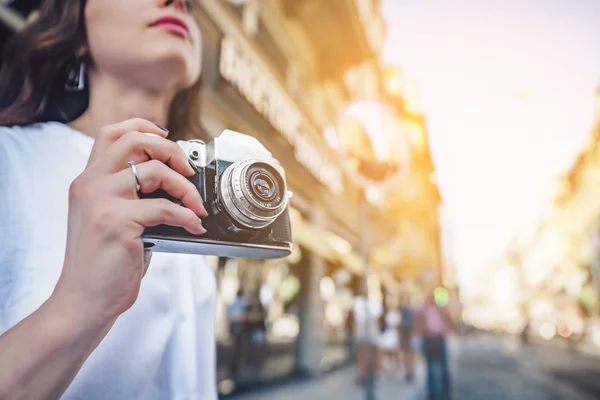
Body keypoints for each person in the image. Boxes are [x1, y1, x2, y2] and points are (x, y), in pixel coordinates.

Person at [0, 1, 217, 399]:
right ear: (76, 31)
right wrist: (79, 305)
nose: (179, 2)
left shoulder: (202, 200)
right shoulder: (7, 161)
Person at [415, 288, 454, 400]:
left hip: (439, 339)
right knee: (430, 369)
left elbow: (449, 322)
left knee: (443, 369)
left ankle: (445, 394)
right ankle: (432, 395)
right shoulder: (423, 310)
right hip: (428, 339)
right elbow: (418, 323)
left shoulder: (442, 309)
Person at [399, 293, 417, 382]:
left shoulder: (407, 310)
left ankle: (410, 371)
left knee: (409, 354)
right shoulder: (404, 310)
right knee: (408, 354)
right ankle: (409, 371)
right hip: (407, 334)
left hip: (408, 334)